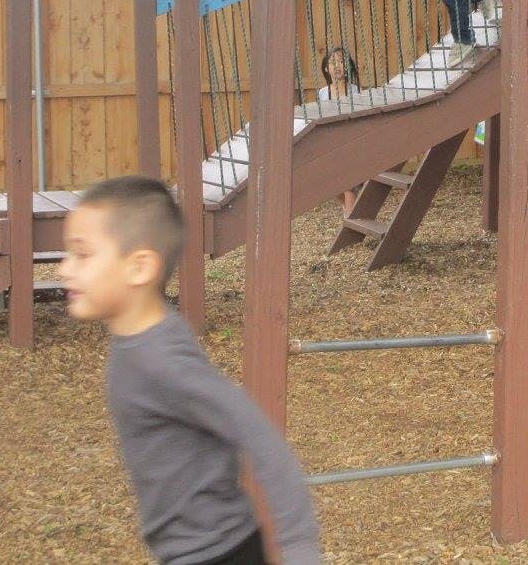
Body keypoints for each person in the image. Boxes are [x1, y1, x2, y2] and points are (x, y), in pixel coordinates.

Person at [59, 176, 322, 565]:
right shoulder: (145, 336)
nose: (65, 269)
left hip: (218, 554)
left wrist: (299, 548)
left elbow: (259, 434)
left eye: (82, 255)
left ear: (139, 267)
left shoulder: (162, 362)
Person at [319, 46, 365, 215]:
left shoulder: (356, 91)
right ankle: (347, 208)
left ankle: (350, 218)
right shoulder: (323, 93)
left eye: (341, 61)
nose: (337, 65)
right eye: (333, 62)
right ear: (326, 68)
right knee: (327, 182)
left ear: (349, 66)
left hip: (352, 144)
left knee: (347, 183)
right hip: (331, 144)